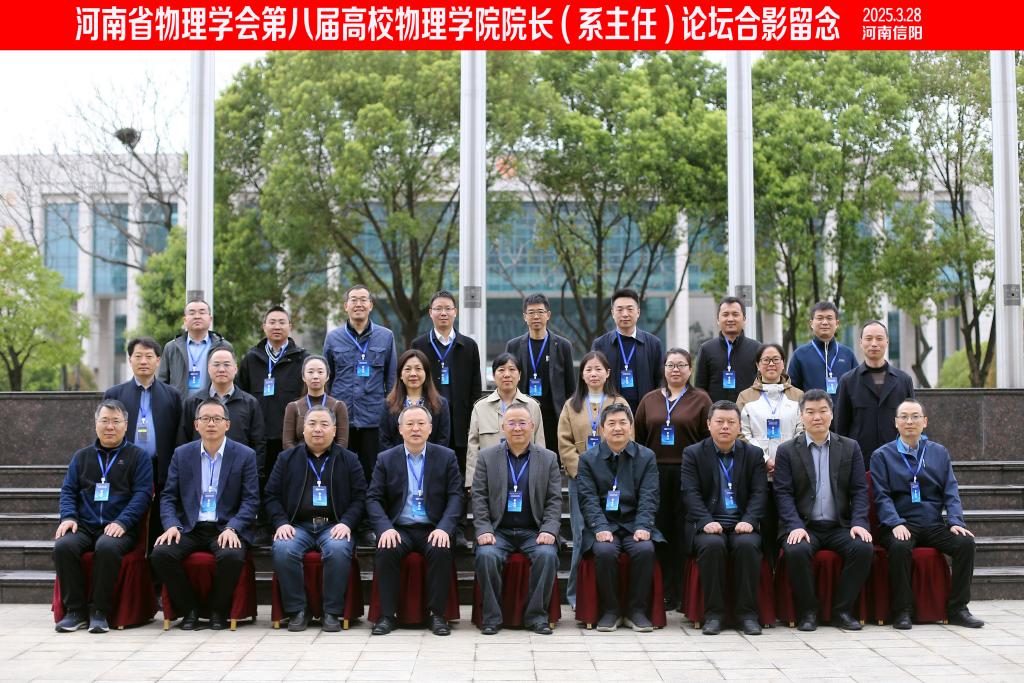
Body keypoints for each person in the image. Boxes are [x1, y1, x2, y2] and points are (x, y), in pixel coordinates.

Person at [870, 399, 984, 629]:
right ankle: (902, 611)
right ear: (896, 423)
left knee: (965, 544)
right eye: (904, 417)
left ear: (925, 422)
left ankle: (958, 608)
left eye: (915, 416)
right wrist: (895, 523)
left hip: (932, 523)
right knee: (899, 546)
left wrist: (955, 521)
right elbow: (881, 496)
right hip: (901, 523)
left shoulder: (939, 452)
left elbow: (951, 490)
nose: (909, 421)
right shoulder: (882, 455)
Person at [150, 399, 260, 630]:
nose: (211, 424)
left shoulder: (245, 455)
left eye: (217, 419)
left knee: (232, 555)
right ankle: (189, 609)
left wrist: (233, 527)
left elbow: (251, 501)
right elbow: (168, 496)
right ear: (196, 424)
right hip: (189, 527)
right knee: (161, 553)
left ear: (227, 424)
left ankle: (217, 611)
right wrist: (171, 525)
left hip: (224, 527)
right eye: (205, 419)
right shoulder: (182, 454)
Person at [773, 389, 874, 632]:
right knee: (796, 550)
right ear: (801, 416)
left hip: (839, 525)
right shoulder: (787, 450)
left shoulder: (850, 447)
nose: (817, 417)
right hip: (805, 526)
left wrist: (859, 522)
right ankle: (809, 611)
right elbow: (783, 493)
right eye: (810, 412)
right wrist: (794, 526)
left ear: (832, 414)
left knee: (863, 548)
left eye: (822, 411)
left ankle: (842, 611)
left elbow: (860, 490)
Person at [53, 400, 153, 633]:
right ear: (96, 424)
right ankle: (75, 611)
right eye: (105, 421)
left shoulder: (138, 457)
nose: (110, 427)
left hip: (120, 527)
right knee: (63, 546)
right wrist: (68, 517)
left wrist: (123, 521)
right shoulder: (81, 457)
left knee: (107, 547)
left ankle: (99, 611)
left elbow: (142, 495)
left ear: (126, 425)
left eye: (116, 421)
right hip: (84, 525)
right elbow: (68, 490)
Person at [265, 406, 366, 632]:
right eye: (312, 424)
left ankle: (331, 611)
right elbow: (271, 496)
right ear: (303, 429)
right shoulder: (286, 459)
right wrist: (281, 522)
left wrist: (346, 523)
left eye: (324, 424)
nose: (317, 429)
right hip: (297, 526)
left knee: (338, 549)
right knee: (283, 548)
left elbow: (360, 497)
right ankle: (297, 611)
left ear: (334, 430)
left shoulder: (349, 459)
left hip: (333, 525)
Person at [366, 405, 464, 636]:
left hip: (432, 527)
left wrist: (444, 528)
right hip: (399, 527)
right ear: (400, 429)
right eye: (409, 424)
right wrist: (385, 528)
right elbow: (373, 498)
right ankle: (387, 616)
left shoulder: (446, 457)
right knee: (386, 549)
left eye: (421, 423)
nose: (415, 428)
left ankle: (437, 615)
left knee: (440, 549)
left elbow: (456, 496)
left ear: (430, 428)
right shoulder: (386, 459)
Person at [472, 404, 562, 635]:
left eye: (522, 423)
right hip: (498, 530)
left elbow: (554, 500)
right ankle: (491, 618)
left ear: (532, 426)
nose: (517, 428)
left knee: (547, 555)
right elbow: (479, 497)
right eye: (511, 423)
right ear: (503, 427)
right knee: (486, 555)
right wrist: (484, 529)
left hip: (533, 530)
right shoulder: (487, 457)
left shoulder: (548, 458)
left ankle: (536, 617)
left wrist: (549, 530)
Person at [633, 347, 711, 610]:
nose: (675, 370)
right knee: (660, 529)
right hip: (654, 473)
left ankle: (683, 591)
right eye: (670, 365)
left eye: (681, 365)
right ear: (663, 369)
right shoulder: (650, 399)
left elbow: (707, 439)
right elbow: (639, 438)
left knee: (683, 532)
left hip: (687, 472)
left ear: (690, 369)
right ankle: (664, 592)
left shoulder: (701, 399)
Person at [682, 400, 768, 636]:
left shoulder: (753, 454)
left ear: (739, 426)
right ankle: (714, 615)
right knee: (712, 546)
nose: (725, 427)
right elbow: (690, 493)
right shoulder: (693, 453)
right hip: (707, 524)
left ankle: (747, 615)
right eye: (719, 421)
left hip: (742, 523)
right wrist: (706, 521)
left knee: (747, 546)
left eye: (731, 422)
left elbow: (760, 493)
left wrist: (749, 520)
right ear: (709, 424)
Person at [577, 403, 663, 632]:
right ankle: (611, 610)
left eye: (623, 423)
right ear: (602, 429)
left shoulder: (646, 457)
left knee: (645, 549)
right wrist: (599, 527)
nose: (617, 428)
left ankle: (637, 611)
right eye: (612, 423)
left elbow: (649, 496)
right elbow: (587, 498)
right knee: (605, 551)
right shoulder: (588, 459)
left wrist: (644, 526)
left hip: (635, 523)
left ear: (631, 427)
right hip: (604, 524)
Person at [556, 351, 631, 609]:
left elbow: (628, 437)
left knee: (609, 533)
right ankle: (577, 596)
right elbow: (564, 443)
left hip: (613, 480)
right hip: (580, 479)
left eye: (599, 369)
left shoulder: (619, 402)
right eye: (588, 369)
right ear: (582, 374)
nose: (594, 374)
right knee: (580, 534)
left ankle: (609, 594)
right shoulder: (572, 405)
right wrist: (582, 471)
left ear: (608, 373)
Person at [323, 284, 398, 488]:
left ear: (371, 305)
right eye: (354, 300)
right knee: (341, 473)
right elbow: (326, 379)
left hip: (373, 419)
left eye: (363, 300)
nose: (359, 304)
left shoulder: (386, 336)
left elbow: (391, 379)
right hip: (342, 418)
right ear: (345, 306)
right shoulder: (333, 338)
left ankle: (370, 509)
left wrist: (390, 415)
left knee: (372, 473)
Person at [737, 343, 803, 563]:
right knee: (764, 528)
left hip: (791, 472)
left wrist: (783, 459)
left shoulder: (798, 395)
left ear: (783, 364)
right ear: (758, 365)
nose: (771, 364)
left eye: (776, 359)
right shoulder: (745, 396)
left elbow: (802, 431)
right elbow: (741, 433)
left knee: (788, 527)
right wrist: (764, 459)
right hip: (758, 473)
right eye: (766, 360)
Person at [411, 290, 482, 477]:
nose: (443, 313)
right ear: (430, 312)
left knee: (458, 475)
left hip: (461, 423)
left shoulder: (469, 346)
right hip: (429, 421)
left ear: (455, 312)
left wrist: (473, 421)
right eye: (438, 309)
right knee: (430, 475)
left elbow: (475, 388)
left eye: (448, 309)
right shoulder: (419, 345)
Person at [237, 306, 308, 488]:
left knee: (288, 483)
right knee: (258, 482)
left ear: (290, 326)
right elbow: (241, 394)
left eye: (282, 322)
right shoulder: (251, 358)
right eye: (272, 322)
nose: (277, 326)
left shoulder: (302, 359)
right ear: (264, 327)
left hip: (290, 437)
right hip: (258, 436)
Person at [102, 337, 182, 494]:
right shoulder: (114, 394)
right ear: (130, 360)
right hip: (124, 467)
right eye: (138, 356)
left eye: (149, 356)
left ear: (158, 360)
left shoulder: (173, 395)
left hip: (162, 470)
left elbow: (179, 435)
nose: (143, 361)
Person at [834, 320, 915, 470]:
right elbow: (840, 428)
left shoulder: (903, 380)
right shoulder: (848, 381)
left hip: (897, 461)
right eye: (869, 338)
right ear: (860, 342)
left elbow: (913, 422)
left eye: (879, 339)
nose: (874, 344)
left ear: (887, 342)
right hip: (859, 463)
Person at [179, 347, 266, 477]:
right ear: (208, 369)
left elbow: (259, 444)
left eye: (226, 364)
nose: (221, 369)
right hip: (200, 473)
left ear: (235, 369)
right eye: (216, 365)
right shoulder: (193, 402)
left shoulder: (250, 403)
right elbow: (183, 441)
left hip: (238, 474)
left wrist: (253, 476)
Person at [505, 293, 576, 451]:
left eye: (540, 312)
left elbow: (570, 386)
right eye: (531, 312)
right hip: (523, 416)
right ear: (525, 317)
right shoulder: (513, 346)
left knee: (552, 457)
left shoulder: (563, 346)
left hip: (554, 415)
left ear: (548, 315)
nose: (536, 316)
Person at [465, 353, 545, 486]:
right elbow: (473, 449)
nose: (507, 374)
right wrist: (471, 483)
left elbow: (540, 444)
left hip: (525, 477)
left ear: (519, 375)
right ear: (493, 375)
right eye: (501, 370)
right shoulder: (480, 407)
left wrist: (540, 480)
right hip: (490, 477)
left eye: (512, 369)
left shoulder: (532, 406)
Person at [591, 288, 664, 415]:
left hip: (645, 412)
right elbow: (593, 380)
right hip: (610, 413)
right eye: (619, 310)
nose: (625, 314)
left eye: (630, 309)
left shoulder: (653, 343)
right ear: (612, 313)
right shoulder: (600, 344)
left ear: (638, 312)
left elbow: (660, 380)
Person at [157, 298, 233, 398]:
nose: (197, 316)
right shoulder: (172, 347)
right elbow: (162, 383)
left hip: (214, 405)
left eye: (202, 312)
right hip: (179, 406)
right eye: (192, 313)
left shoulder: (223, 346)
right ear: (185, 320)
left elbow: (232, 380)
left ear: (210, 319)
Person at [379, 349, 451, 451]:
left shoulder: (441, 404)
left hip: (432, 460)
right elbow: (384, 440)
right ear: (400, 375)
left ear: (426, 373)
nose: (413, 373)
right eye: (408, 369)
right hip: (396, 460)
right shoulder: (388, 404)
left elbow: (443, 440)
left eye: (418, 368)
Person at [694, 296, 761, 403]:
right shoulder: (706, 349)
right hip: (716, 412)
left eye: (735, 314)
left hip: (748, 410)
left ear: (744, 319)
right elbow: (700, 389)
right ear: (717, 320)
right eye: (725, 315)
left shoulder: (757, 348)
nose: (730, 319)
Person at [281, 355, 350, 450]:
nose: (315, 376)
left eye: (320, 372)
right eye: (310, 372)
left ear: (327, 376)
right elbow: (287, 443)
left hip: (331, 458)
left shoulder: (338, 406)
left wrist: (328, 458)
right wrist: (300, 457)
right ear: (303, 377)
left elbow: (342, 443)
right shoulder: (293, 407)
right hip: (300, 457)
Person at [787, 302, 857, 394]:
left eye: (829, 318)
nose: (824, 322)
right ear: (811, 323)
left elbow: (857, 387)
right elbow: (792, 391)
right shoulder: (800, 355)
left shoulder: (847, 354)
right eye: (820, 318)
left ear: (837, 323)